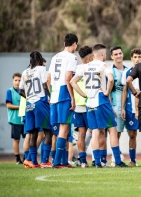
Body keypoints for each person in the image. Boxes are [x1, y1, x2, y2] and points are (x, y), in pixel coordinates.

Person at [71, 44, 128, 168]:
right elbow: (111, 80)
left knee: (95, 132)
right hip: (101, 100)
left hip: (90, 102)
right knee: (112, 130)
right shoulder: (104, 65)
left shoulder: (85, 66)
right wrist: (107, 92)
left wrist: (83, 94)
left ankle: (97, 162)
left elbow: (72, 81)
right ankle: (117, 161)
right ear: (102, 54)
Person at [48, 33, 78, 168]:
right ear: (75, 44)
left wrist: (51, 93)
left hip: (54, 94)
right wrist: (72, 97)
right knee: (64, 129)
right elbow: (68, 79)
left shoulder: (55, 57)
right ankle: (56, 162)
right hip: (63, 94)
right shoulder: (72, 57)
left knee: (61, 130)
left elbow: (48, 79)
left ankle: (64, 161)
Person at [20, 51, 53, 168]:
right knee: (48, 130)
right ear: (40, 59)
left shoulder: (25, 72)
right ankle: (45, 160)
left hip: (29, 104)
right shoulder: (41, 69)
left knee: (33, 133)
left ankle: (33, 162)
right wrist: (51, 96)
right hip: (40, 102)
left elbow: (21, 90)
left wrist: (29, 97)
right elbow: (45, 84)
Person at [120, 48, 141, 166]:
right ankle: (132, 160)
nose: (137, 59)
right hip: (131, 108)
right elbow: (124, 91)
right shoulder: (127, 72)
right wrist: (123, 107)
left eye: (139, 57)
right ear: (131, 59)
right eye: (135, 57)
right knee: (132, 134)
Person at [72, 46, 93, 168]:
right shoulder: (91, 67)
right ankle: (99, 160)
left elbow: (71, 82)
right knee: (96, 131)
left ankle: (83, 160)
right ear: (90, 56)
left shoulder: (76, 68)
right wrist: (84, 94)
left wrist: (75, 98)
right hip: (90, 103)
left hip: (78, 105)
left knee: (81, 134)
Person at [110, 46, 129, 164]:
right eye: (115, 54)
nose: (118, 56)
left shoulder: (127, 70)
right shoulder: (109, 70)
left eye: (120, 53)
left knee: (119, 132)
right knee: (113, 132)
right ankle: (113, 157)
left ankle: (116, 155)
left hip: (126, 105)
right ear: (111, 56)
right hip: (114, 105)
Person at [6, 72, 25, 164]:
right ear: (12, 81)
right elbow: (8, 105)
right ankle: (18, 159)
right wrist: (21, 107)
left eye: (19, 80)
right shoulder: (9, 91)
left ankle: (26, 157)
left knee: (28, 138)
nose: (17, 82)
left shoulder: (24, 91)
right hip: (15, 119)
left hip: (25, 119)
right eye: (16, 80)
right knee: (16, 139)